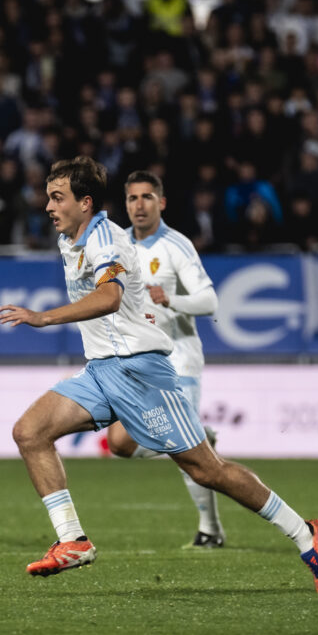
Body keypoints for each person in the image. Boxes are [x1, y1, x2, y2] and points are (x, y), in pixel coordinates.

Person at [0, 156, 318, 593]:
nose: (47, 206)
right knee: (29, 431)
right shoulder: (71, 239)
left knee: (207, 471)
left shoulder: (106, 241)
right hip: (102, 371)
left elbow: (109, 297)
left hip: (142, 372)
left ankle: (307, 533)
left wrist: (43, 318)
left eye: (56, 197)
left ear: (85, 202)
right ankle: (72, 540)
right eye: (47, 197)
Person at [104, 170, 226, 549]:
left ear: (162, 202)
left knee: (187, 457)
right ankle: (199, 438)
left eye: (147, 198)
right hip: (139, 359)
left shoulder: (176, 245)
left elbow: (209, 301)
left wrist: (170, 299)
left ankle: (210, 530)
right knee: (119, 443)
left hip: (179, 360)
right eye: (132, 199)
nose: (139, 206)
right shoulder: (116, 244)